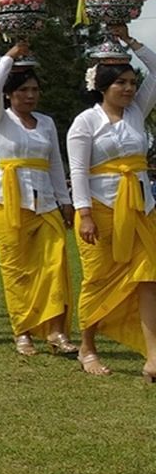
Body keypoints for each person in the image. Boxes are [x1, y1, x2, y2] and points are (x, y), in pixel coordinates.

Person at [67, 27, 156, 380]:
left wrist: (130, 41)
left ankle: (152, 357)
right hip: (100, 211)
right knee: (98, 279)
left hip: (141, 208)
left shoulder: (137, 113)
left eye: (133, 82)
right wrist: (84, 214)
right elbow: (77, 171)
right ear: (102, 85)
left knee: (150, 278)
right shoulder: (85, 122)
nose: (130, 88)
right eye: (121, 82)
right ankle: (87, 346)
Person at [0, 43, 76, 356]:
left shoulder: (47, 123)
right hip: (7, 200)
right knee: (16, 268)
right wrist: (10, 56)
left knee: (55, 264)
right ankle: (22, 331)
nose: (30, 95)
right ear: (11, 94)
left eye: (35, 89)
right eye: (24, 89)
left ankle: (55, 332)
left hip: (47, 202)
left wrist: (66, 201)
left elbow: (55, 163)